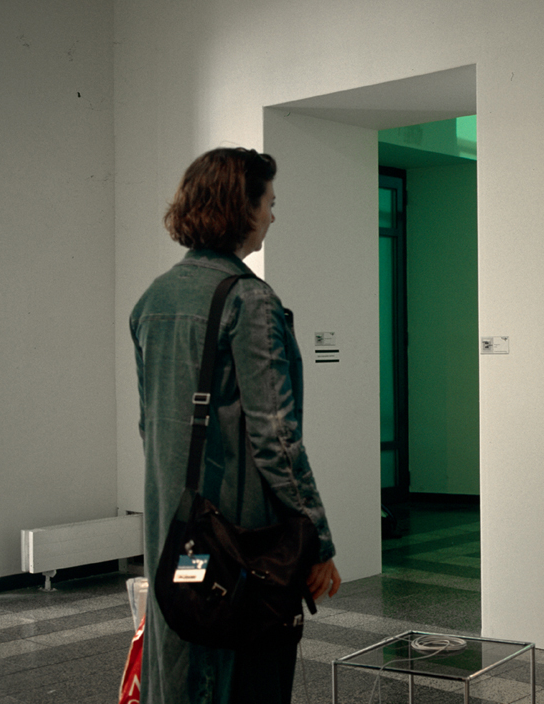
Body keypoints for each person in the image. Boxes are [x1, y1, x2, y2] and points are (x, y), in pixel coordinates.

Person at [130, 147, 340, 704]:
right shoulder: (249, 301)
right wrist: (315, 540)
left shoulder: (153, 300)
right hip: (242, 540)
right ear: (240, 208)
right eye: (269, 202)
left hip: (174, 524)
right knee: (238, 673)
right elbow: (276, 437)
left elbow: (151, 425)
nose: (273, 215)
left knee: (178, 662)